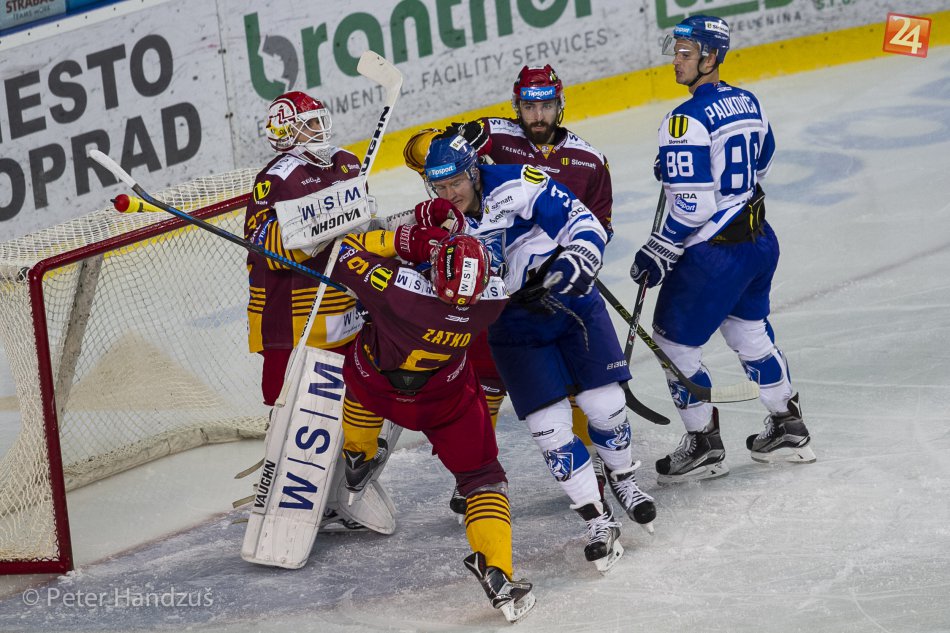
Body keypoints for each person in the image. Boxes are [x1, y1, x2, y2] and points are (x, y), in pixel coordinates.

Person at [417, 134, 656, 572]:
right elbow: (423, 283)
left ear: (474, 171)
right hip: (512, 325)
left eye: (456, 183)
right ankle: (597, 520)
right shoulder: (437, 224)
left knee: (605, 406)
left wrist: (580, 257)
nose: (450, 194)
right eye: (440, 187)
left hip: (569, 301)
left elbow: (582, 221)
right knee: (549, 432)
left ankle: (624, 479)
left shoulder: (518, 182)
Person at [629, 15, 816, 484]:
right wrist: (685, 166)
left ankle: (704, 444)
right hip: (757, 242)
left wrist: (660, 247)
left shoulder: (684, 119)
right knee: (750, 333)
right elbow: (761, 161)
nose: (676, 61)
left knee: (673, 344)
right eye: (676, 52)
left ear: (710, 57)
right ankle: (788, 424)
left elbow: (693, 207)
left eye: (686, 54)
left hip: (713, 255)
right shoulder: (748, 101)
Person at [329, 226, 535, 623]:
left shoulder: (396, 290)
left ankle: (358, 457)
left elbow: (341, 252)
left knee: (359, 382)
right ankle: (497, 570)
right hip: (444, 400)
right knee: (484, 478)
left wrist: (405, 241)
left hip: (378, 388)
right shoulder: (493, 301)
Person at [244, 90, 384, 532]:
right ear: (284, 132)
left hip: (343, 308)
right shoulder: (274, 179)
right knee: (292, 411)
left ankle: (336, 492)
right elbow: (262, 247)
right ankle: (286, 492)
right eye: (307, 125)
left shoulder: (347, 163)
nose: (318, 131)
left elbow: (362, 227)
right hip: (289, 317)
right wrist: (315, 231)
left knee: (351, 403)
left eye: (320, 121)